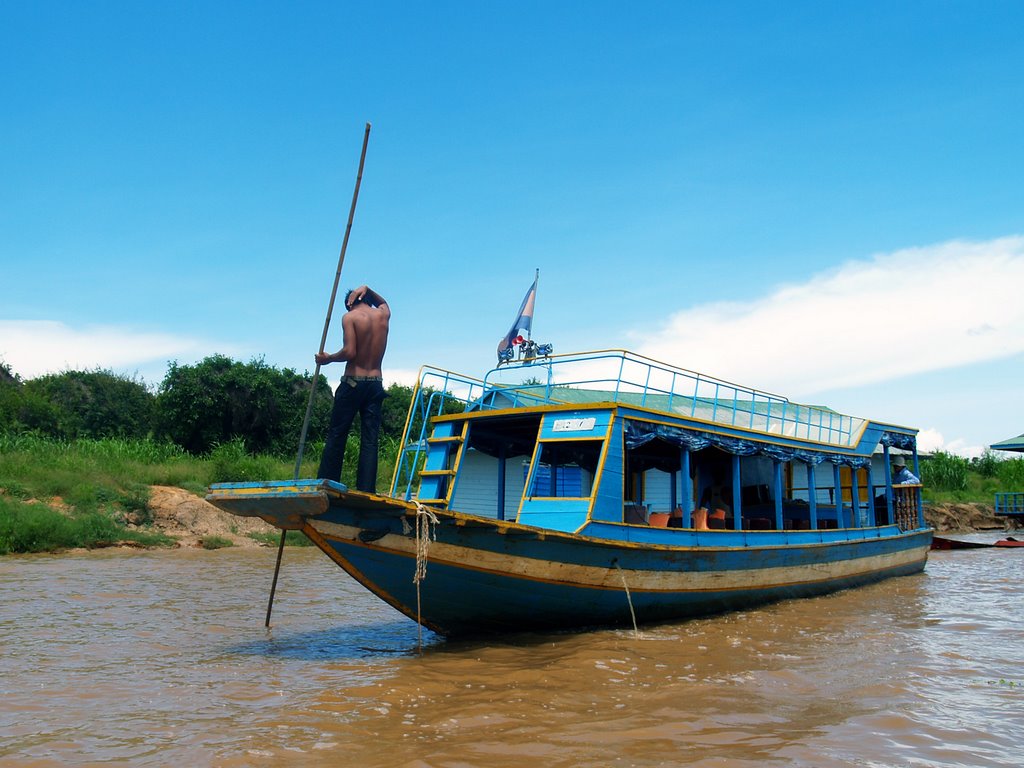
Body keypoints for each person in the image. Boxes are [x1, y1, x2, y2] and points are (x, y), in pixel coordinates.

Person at [315, 285, 390, 493]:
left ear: (349, 303)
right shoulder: (382, 315)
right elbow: (384, 303)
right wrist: (368, 288)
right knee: (370, 441)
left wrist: (327, 359)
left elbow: (350, 351)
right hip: (375, 383)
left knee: (337, 435)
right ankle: (366, 490)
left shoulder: (350, 318)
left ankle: (327, 485)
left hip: (353, 383)